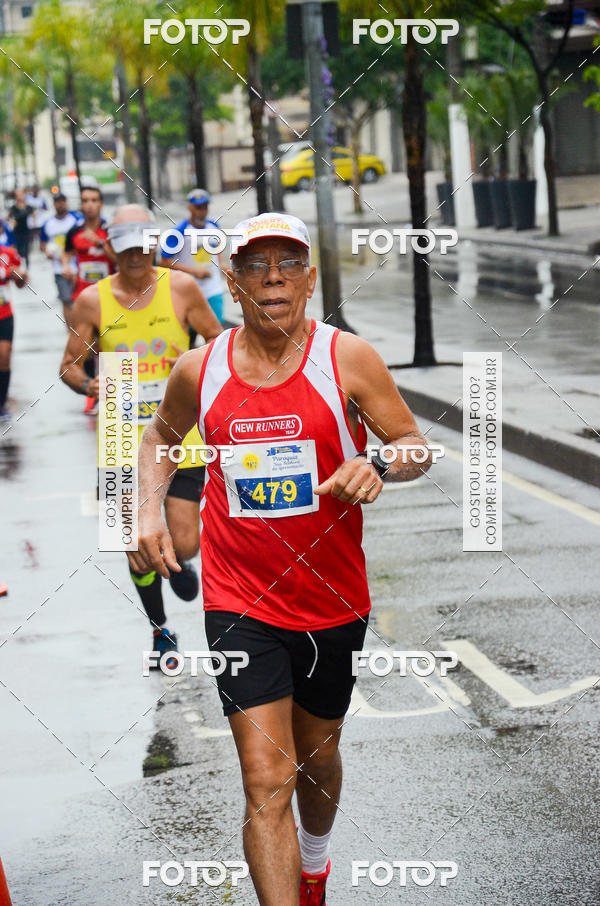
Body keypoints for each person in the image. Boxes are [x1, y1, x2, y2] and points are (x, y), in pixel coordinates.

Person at [129, 212, 433, 906]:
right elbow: (157, 440)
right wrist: (144, 511)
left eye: (288, 263)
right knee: (266, 778)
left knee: (317, 759)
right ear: (231, 283)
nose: (273, 276)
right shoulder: (197, 369)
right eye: (256, 264)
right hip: (240, 602)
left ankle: (316, 865)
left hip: (333, 602)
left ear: (309, 279)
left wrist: (379, 460)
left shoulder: (347, 358)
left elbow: (414, 443)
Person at [60, 204, 222, 665]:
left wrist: (198, 374)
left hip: (178, 431)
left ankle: (179, 558)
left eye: (141, 245)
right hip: (118, 433)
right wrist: (89, 383)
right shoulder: (91, 301)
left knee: (185, 541)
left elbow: (217, 342)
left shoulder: (183, 288)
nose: (134, 255)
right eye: (125, 247)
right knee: (133, 548)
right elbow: (69, 365)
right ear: (111, 247)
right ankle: (161, 629)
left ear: (153, 244)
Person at [62, 185, 116, 414]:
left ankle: (112, 395)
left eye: (94, 200)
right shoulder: (73, 232)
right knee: (87, 347)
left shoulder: (110, 230)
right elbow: (67, 252)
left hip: (109, 296)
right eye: (85, 200)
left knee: (106, 347)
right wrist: (66, 266)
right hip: (83, 298)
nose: (90, 204)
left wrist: (99, 243)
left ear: (101, 203)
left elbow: (119, 260)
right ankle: (94, 394)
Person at [159, 188, 227, 327]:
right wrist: (193, 272)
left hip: (213, 288)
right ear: (190, 208)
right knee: (190, 333)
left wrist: (222, 263)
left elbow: (217, 244)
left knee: (217, 331)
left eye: (204, 207)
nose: (201, 212)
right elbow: (164, 261)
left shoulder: (213, 226)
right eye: (198, 208)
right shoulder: (179, 232)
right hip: (188, 291)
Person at [40, 193, 82, 329]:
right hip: (59, 270)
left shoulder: (76, 220)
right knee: (66, 300)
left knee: (80, 300)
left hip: (78, 268)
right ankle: (71, 332)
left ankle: (82, 329)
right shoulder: (48, 224)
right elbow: (43, 243)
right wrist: (47, 252)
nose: (60, 204)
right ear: (54, 204)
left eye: (62, 201)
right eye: (57, 201)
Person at [0, 242, 28, 418]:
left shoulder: (8, 253)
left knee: (4, 356)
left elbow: (21, 284)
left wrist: (21, 276)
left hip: (4, 313)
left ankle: (1, 403)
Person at [8, 190, 33, 267]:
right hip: (17, 231)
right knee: (19, 249)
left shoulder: (28, 207)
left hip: (26, 230)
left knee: (26, 249)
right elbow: (10, 218)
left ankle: (27, 266)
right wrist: (12, 222)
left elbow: (33, 217)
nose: (19, 197)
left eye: (21, 195)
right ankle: (19, 264)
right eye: (18, 195)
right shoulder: (13, 208)